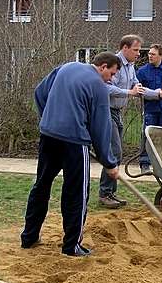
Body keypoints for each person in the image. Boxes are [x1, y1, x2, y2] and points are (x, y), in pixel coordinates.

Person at [20, 52, 121, 257]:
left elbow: (40, 93)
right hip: (75, 143)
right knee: (76, 193)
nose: (111, 79)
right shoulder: (99, 87)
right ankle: (72, 246)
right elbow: (101, 127)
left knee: (41, 185)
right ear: (102, 66)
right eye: (111, 73)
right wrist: (109, 163)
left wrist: (48, 118)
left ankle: (29, 237)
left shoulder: (67, 67)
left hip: (48, 135)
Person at [98, 35, 148, 209]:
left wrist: (159, 93)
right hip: (106, 111)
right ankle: (105, 193)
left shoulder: (131, 66)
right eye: (135, 50)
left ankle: (110, 193)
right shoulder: (113, 64)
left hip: (118, 112)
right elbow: (106, 88)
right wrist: (129, 92)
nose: (138, 54)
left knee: (116, 153)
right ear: (125, 48)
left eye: (139, 50)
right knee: (115, 151)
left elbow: (137, 88)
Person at [136, 44, 162, 173]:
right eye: (149, 53)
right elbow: (138, 88)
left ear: (160, 56)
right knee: (147, 135)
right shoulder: (142, 71)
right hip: (150, 108)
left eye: (153, 54)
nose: (150, 56)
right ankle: (145, 163)